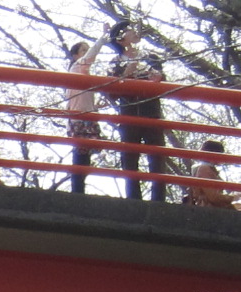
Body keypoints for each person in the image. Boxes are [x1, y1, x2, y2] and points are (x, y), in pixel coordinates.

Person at [105, 23, 169, 203]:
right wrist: (128, 72)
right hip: (129, 114)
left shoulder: (151, 57)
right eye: (129, 29)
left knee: (157, 159)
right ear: (120, 38)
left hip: (152, 112)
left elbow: (163, 82)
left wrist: (158, 78)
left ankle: (159, 201)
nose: (134, 31)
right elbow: (112, 92)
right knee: (130, 160)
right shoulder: (115, 62)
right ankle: (133, 201)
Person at [61, 39, 100, 193]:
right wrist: (103, 38)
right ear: (76, 56)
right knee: (80, 158)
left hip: (86, 117)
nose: (87, 53)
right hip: (80, 119)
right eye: (84, 50)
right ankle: (77, 192)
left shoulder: (81, 73)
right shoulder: (77, 68)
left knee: (84, 159)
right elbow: (91, 56)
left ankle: (78, 191)